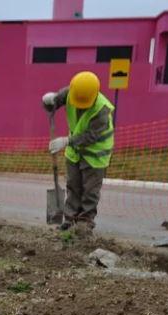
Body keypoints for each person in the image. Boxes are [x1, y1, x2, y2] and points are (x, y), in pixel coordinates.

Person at [42, 71, 115, 231]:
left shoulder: (102, 110)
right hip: (75, 152)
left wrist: (67, 141)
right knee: (73, 185)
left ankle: (84, 223)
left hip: (96, 154)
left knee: (90, 190)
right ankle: (69, 219)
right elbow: (53, 104)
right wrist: (49, 101)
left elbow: (91, 135)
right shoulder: (71, 92)